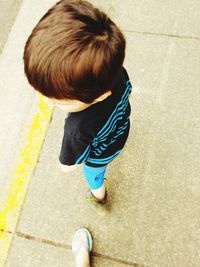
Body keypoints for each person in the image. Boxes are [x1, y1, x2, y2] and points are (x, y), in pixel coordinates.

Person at [23, 0, 132, 214]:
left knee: (94, 176)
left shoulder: (77, 127)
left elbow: (68, 165)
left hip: (102, 153)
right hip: (122, 125)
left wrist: (65, 164)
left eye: (58, 100)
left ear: (99, 96)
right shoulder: (113, 72)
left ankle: (99, 197)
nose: (48, 101)